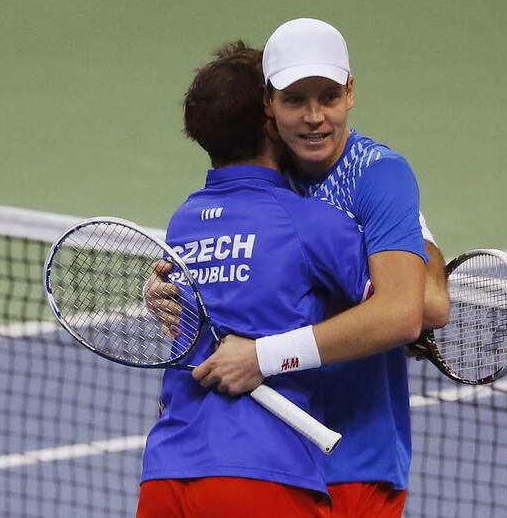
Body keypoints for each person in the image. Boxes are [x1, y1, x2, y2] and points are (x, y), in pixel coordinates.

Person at [191, 18, 450, 518]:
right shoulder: (262, 173)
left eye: (328, 97)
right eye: (294, 101)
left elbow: (413, 311)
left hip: (355, 460)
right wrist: (171, 296)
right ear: (268, 103)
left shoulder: (378, 175)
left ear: (350, 92)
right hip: (270, 458)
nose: (314, 118)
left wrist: (264, 357)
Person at [136, 41, 376, 518]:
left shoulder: (185, 221)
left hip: (165, 477)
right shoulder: (314, 224)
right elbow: (400, 312)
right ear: (272, 121)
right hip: (261, 478)